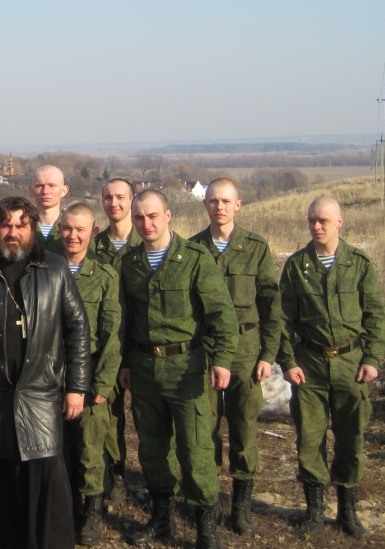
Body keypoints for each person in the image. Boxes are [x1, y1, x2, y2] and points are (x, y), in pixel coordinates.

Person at [0, 196, 91, 549]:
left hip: (42, 391)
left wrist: (77, 387)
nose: (13, 232)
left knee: (45, 466)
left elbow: (78, 330)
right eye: (6, 225)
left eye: (21, 225)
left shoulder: (55, 268)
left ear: (32, 229)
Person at [117, 190, 238, 549]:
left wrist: (222, 360)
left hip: (186, 368)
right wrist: (125, 362)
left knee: (195, 448)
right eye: (139, 218)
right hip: (144, 368)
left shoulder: (195, 258)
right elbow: (125, 320)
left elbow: (222, 315)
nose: (146, 224)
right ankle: (162, 519)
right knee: (153, 448)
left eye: (153, 216)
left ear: (168, 215)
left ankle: (205, 528)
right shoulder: (130, 263)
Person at [278, 196, 385, 540]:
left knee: (351, 438)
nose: (316, 226)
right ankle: (314, 511)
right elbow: (283, 320)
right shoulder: (297, 265)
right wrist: (288, 361)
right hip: (309, 365)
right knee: (310, 438)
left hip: (350, 365)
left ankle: (347, 512)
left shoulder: (358, 263)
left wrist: (372, 359)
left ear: (340, 222)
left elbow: (375, 314)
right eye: (311, 220)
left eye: (323, 220)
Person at [189, 178, 282, 536]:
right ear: (205, 204)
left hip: (245, 350)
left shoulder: (255, 247)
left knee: (244, 427)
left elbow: (270, 304)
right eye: (213, 201)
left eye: (226, 201)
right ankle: (209, 502)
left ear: (238, 204)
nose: (219, 207)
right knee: (205, 428)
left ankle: (241, 505)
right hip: (206, 348)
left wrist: (268, 354)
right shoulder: (193, 248)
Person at [58, 204, 123, 546]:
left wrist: (102, 383)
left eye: (80, 230)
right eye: (67, 228)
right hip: (50, 373)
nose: (73, 236)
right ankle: (66, 508)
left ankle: (93, 513)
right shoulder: (46, 268)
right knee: (58, 447)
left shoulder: (105, 276)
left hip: (89, 371)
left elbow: (113, 334)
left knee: (89, 448)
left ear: (93, 233)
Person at [93, 177, 141, 507]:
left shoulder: (148, 242)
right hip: (108, 345)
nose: (114, 203)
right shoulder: (93, 246)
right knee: (110, 418)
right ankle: (116, 475)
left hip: (143, 344)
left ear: (132, 200)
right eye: (108, 197)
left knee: (149, 420)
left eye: (121, 197)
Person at [29, 165, 68, 253]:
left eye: (52, 186)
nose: (45, 191)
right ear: (31, 190)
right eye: (39, 186)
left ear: (64, 190)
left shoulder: (73, 228)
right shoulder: (20, 226)